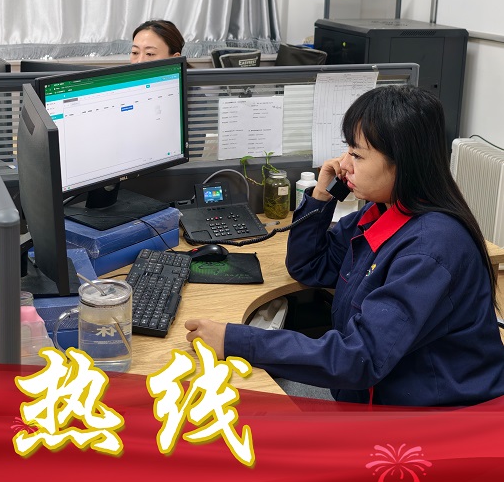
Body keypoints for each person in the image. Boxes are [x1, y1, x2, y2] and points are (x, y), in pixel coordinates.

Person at [185, 85, 504, 407]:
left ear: (404, 163)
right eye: (347, 149)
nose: (344, 163)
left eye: (357, 155)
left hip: (435, 416)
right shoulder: (380, 213)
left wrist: (236, 340)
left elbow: (360, 358)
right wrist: (321, 197)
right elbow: (310, 266)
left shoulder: (430, 249)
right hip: (376, 394)